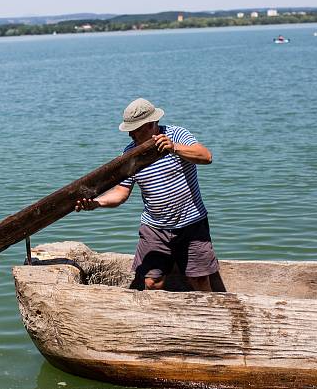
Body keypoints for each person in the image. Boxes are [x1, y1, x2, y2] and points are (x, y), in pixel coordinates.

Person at [75, 97, 219, 291]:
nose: (131, 135)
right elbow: (121, 192)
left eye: (135, 130)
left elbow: (205, 156)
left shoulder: (176, 135)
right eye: (129, 130)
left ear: (151, 124)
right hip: (155, 228)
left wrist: (174, 148)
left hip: (192, 224)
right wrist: (97, 203)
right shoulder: (130, 154)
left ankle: (206, 316)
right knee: (151, 282)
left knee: (200, 281)